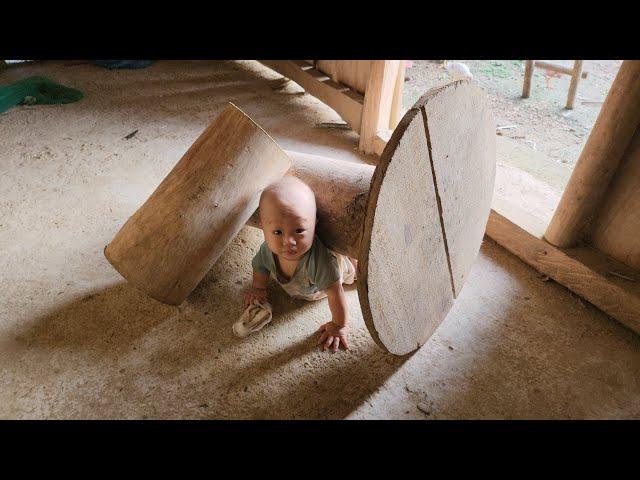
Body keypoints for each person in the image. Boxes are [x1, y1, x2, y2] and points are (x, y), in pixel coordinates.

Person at [243, 176, 357, 352]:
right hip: (302, 285)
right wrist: (258, 288)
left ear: (314, 226)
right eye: (277, 232)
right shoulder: (267, 251)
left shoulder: (321, 262)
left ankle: (353, 259)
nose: (289, 241)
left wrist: (338, 325)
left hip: (331, 278)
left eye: (299, 230)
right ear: (263, 230)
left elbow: (336, 293)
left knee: (354, 273)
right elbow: (260, 267)